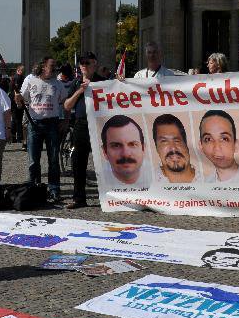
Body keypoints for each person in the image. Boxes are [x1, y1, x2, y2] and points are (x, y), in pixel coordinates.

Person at [17, 56, 67, 204]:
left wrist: (65, 119)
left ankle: (54, 189)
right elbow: (21, 102)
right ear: (43, 66)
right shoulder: (30, 80)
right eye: (52, 65)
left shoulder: (58, 84)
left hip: (52, 123)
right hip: (34, 123)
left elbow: (66, 103)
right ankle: (34, 187)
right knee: (33, 159)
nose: (55, 68)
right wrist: (17, 98)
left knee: (53, 160)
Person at [63, 53, 106, 208]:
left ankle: (109, 198)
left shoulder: (103, 82)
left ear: (95, 64)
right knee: (78, 162)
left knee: (105, 161)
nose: (84, 66)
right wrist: (79, 91)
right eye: (81, 63)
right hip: (81, 125)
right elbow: (67, 106)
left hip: (100, 123)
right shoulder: (75, 83)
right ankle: (78, 198)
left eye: (87, 63)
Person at [198, 109, 239, 183]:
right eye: (208, 139)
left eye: (224, 139)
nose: (217, 148)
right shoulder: (203, 184)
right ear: (201, 146)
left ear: (236, 145)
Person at [100, 115, 150, 188]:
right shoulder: (98, 179)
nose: (126, 154)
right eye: (116, 145)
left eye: (132, 144)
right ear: (105, 152)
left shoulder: (159, 176)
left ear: (143, 148)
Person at [153, 113, 199, 183]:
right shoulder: (146, 182)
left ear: (186, 144)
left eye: (177, 141)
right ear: (156, 148)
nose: (173, 148)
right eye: (164, 141)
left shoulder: (209, 179)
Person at [10, 65, 26, 146]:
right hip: (17, 99)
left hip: (13, 99)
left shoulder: (13, 77)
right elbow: (17, 90)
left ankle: (13, 136)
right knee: (18, 119)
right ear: (18, 70)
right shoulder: (19, 77)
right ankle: (19, 136)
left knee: (14, 119)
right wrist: (18, 102)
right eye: (22, 70)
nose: (23, 72)